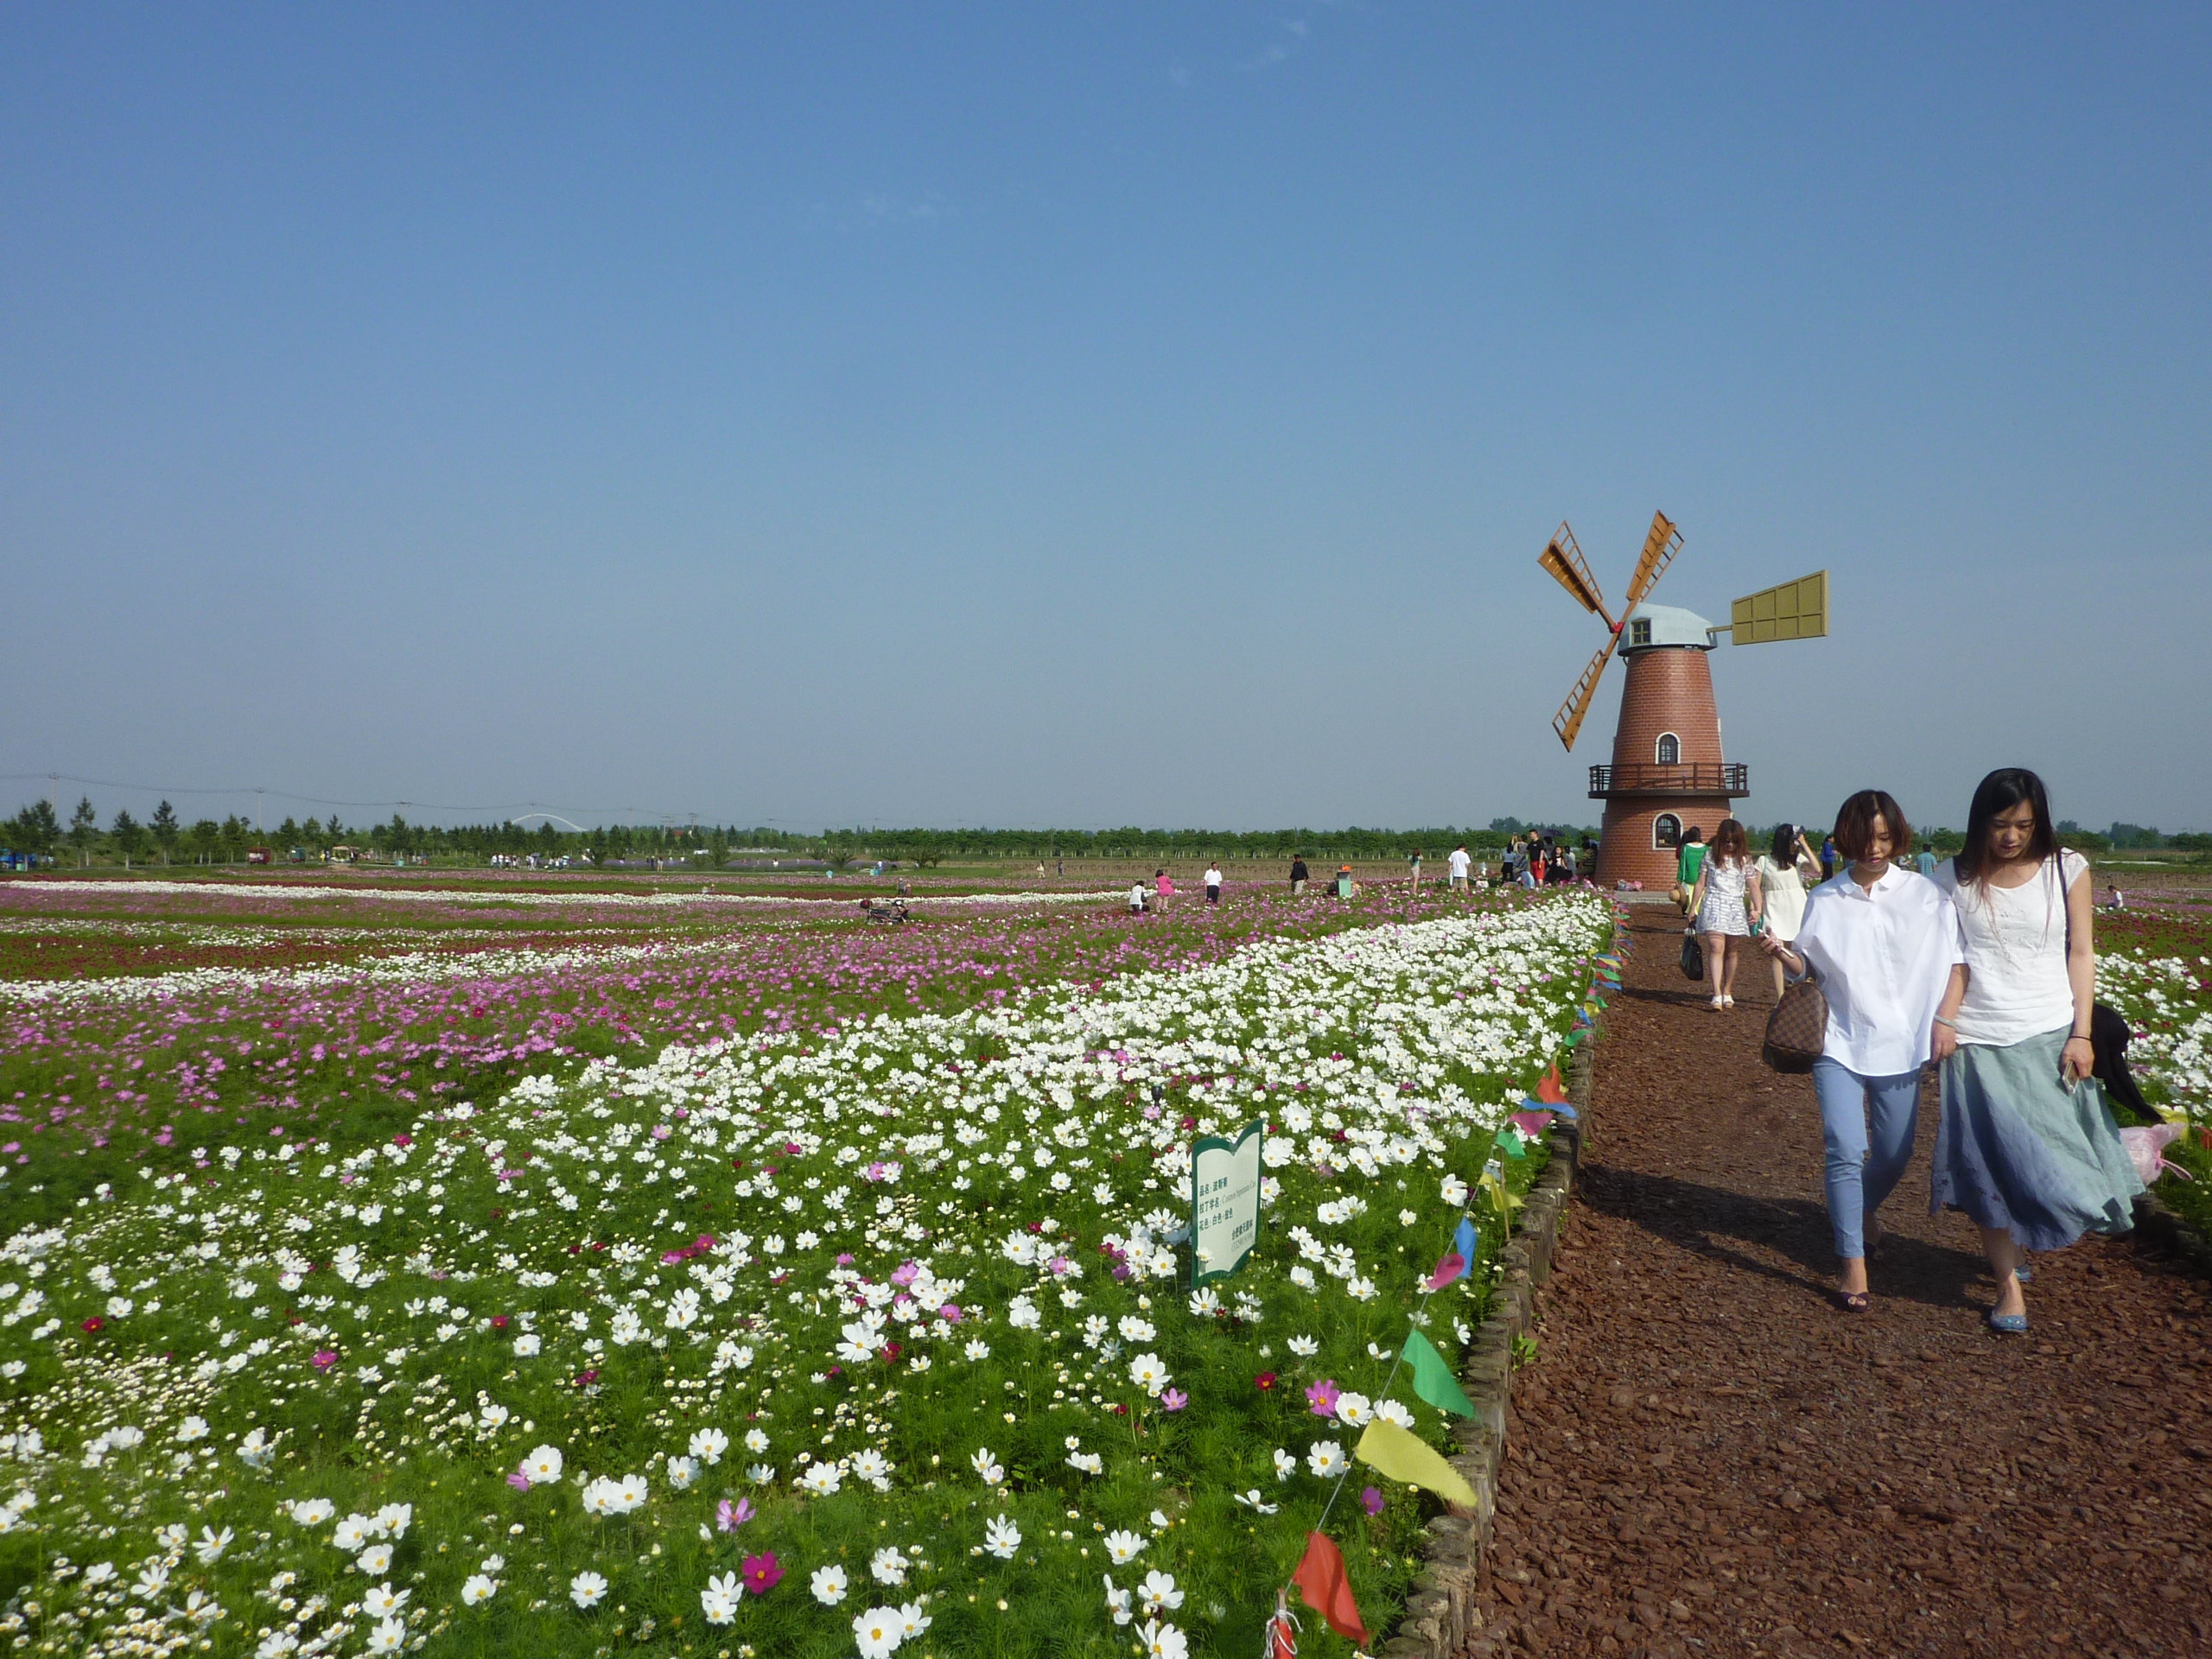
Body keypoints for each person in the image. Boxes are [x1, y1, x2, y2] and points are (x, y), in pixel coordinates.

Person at [1929, 768, 2144, 1334]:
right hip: (1976, 1040)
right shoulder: (1951, 876)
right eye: (2000, 825)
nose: (2011, 836)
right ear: (1980, 822)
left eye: (2023, 824)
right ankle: (2006, 1285)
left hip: (2049, 1032)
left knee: (2064, 1172)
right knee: (1989, 1168)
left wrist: (2080, 1032)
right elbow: (1939, 959)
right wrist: (1940, 1022)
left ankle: (2023, 1243)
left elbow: (2082, 951)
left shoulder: (2066, 869)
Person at [1762, 790, 1964, 1311]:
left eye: (1883, 837)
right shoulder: (1826, 898)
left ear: (1897, 836)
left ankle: (1860, 1207)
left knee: (1897, 1152)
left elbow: (1955, 962)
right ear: (1844, 840)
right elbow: (1810, 967)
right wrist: (1785, 956)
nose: (1874, 849)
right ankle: (1853, 1259)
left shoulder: (1926, 895)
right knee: (1845, 1146)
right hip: (1839, 1039)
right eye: (1863, 839)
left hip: (1903, 1040)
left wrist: (1945, 1021)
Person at [1688, 818, 1760, 1009]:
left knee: (1731, 950)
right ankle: (1716, 993)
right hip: (1714, 902)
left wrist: (1757, 908)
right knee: (1716, 947)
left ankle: (1727, 989)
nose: (1730, 845)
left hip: (1735, 905)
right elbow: (1701, 882)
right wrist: (1693, 907)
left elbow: (1753, 885)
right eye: (1727, 840)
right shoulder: (1709, 857)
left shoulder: (1745, 860)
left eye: (1734, 841)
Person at [1753, 823, 1812, 1003]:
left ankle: (1798, 990)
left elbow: (1817, 869)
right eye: (1792, 840)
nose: (1794, 844)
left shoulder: (1798, 859)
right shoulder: (1764, 861)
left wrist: (1804, 844)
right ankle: (1780, 997)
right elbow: (1755, 884)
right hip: (1775, 906)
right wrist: (1756, 907)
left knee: (1797, 950)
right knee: (1777, 950)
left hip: (1796, 905)